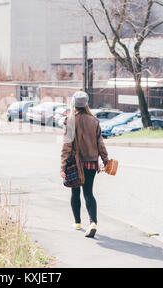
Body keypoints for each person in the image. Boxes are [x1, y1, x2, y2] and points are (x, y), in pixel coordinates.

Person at [60, 91, 110, 238]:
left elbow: (67, 146)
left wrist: (63, 165)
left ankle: (77, 223)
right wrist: (106, 161)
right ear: (86, 104)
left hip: (75, 163)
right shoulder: (94, 121)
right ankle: (93, 222)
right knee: (88, 192)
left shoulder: (70, 120)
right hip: (91, 163)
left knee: (75, 191)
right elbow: (100, 144)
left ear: (74, 104)